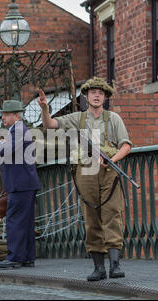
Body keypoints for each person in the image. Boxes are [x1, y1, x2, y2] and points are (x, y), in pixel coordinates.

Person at [37, 77, 133, 281]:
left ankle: (115, 264)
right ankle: (99, 267)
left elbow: (126, 145)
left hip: (108, 171)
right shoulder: (76, 119)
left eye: (101, 92)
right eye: (93, 92)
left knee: (112, 214)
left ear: (105, 96)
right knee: (91, 216)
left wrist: (112, 159)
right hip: (85, 170)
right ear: (87, 96)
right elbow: (51, 125)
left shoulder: (113, 119)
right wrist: (45, 109)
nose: (97, 95)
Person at [0, 99, 41, 269]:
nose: (3, 118)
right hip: (25, 183)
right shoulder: (17, 130)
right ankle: (27, 257)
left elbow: (5, 152)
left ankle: (14, 257)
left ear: (16, 115)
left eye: (6, 114)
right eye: (3, 114)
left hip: (21, 184)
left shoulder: (18, 130)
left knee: (15, 221)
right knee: (26, 222)